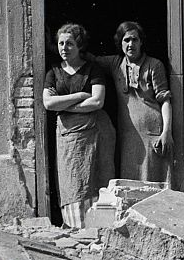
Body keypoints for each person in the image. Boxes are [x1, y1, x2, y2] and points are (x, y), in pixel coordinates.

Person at [42, 23, 114, 226]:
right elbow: (48, 103)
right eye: (61, 43)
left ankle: (99, 229)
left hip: (95, 134)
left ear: (79, 45)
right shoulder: (54, 72)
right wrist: (81, 96)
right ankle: (76, 229)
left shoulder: (93, 69)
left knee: (96, 178)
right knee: (72, 181)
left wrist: (64, 105)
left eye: (70, 44)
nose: (64, 48)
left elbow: (97, 101)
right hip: (67, 137)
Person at [95, 21, 173, 183]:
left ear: (141, 42)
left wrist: (166, 132)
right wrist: (54, 48)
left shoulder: (154, 65)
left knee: (153, 181)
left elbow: (165, 100)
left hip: (152, 132)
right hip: (128, 135)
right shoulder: (115, 63)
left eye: (135, 39)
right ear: (120, 43)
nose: (131, 44)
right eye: (126, 40)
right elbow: (88, 60)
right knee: (130, 181)